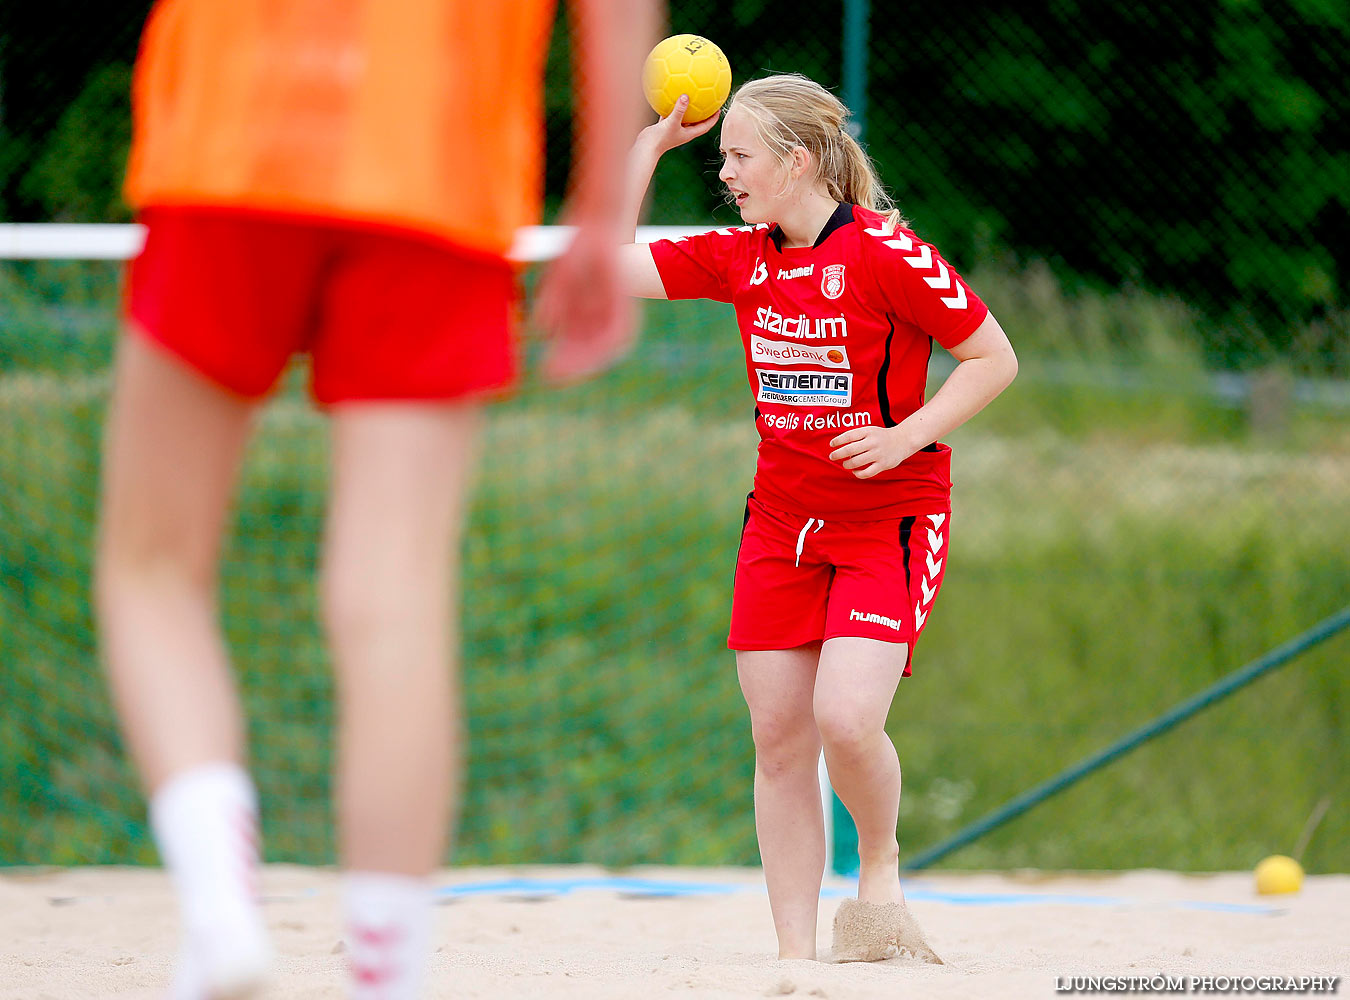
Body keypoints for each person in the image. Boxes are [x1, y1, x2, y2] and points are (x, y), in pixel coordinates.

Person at [93, 1, 657, 997]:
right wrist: (603, 203)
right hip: (437, 160)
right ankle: (384, 976)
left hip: (234, 134)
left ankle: (222, 906)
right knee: (393, 598)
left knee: (151, 565)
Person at [617, 75, 1018, 962]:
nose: (726, 172)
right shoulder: (743, 257)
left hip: (889, 520)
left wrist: (904, 435)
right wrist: (647, 150)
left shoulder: (885, 253)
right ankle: (797, 959)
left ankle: (879, 870)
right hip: (781, 529)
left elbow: (994, 357)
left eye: (739, 157)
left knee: (845, 719)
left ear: (797, 162)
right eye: (723, 158)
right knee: (778, 735)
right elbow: (606, 269)